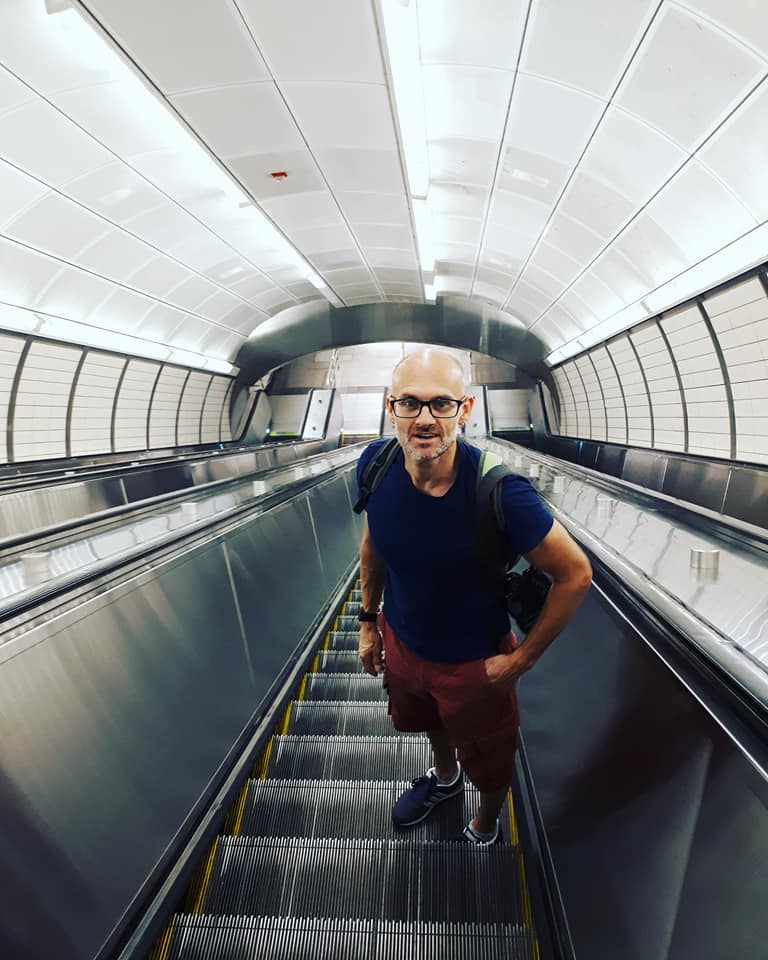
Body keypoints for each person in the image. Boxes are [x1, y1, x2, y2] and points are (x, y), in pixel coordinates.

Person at [357, 348, 592, 844]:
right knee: (426, 720)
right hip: (402, 643)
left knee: (490, 754)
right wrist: (367, 621)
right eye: (410, 403)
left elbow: (575, 573)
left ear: (464, 410)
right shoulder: (375, 465)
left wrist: (521, 661)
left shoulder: (501, 492)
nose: (424, 419)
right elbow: (374, 541)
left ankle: (486, 822)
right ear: (390, 407)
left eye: (441, 404)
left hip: (475, 663)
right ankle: (446, 779)